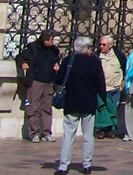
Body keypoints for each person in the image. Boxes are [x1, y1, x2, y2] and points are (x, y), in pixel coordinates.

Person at [53, 36, 105, 175]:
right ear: (87, 48)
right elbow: (101, 83)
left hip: (71, 102)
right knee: (88, 136)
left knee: (68, 136)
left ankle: (63, 166)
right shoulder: (95, 61)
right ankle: (87, 165)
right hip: (89, 103)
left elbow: (59, 80)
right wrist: (103, 99)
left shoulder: (68, 61)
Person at [18, 30, 60, 142]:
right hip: (35, 81)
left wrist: (57, 64)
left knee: (47, 108)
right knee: (34, 107)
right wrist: (23, 64)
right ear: (44, 40)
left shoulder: (54, 50)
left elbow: (56, 60)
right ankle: (34, 133)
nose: (52, 42)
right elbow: (20, 57)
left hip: (49, 81)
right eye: (50, 40)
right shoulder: (33, 48)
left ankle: (46, 132)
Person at [94, 35, 125, 139]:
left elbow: (124, 68)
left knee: (113, 109)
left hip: (114, 88)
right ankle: (100, 130)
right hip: (101, 88)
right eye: (100, 44)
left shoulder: (118, 55)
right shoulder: (97, 55)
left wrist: (122, 83)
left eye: (104, 45)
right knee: (101, 109)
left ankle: (111, 129)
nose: (101, 46)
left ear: (110, 45)